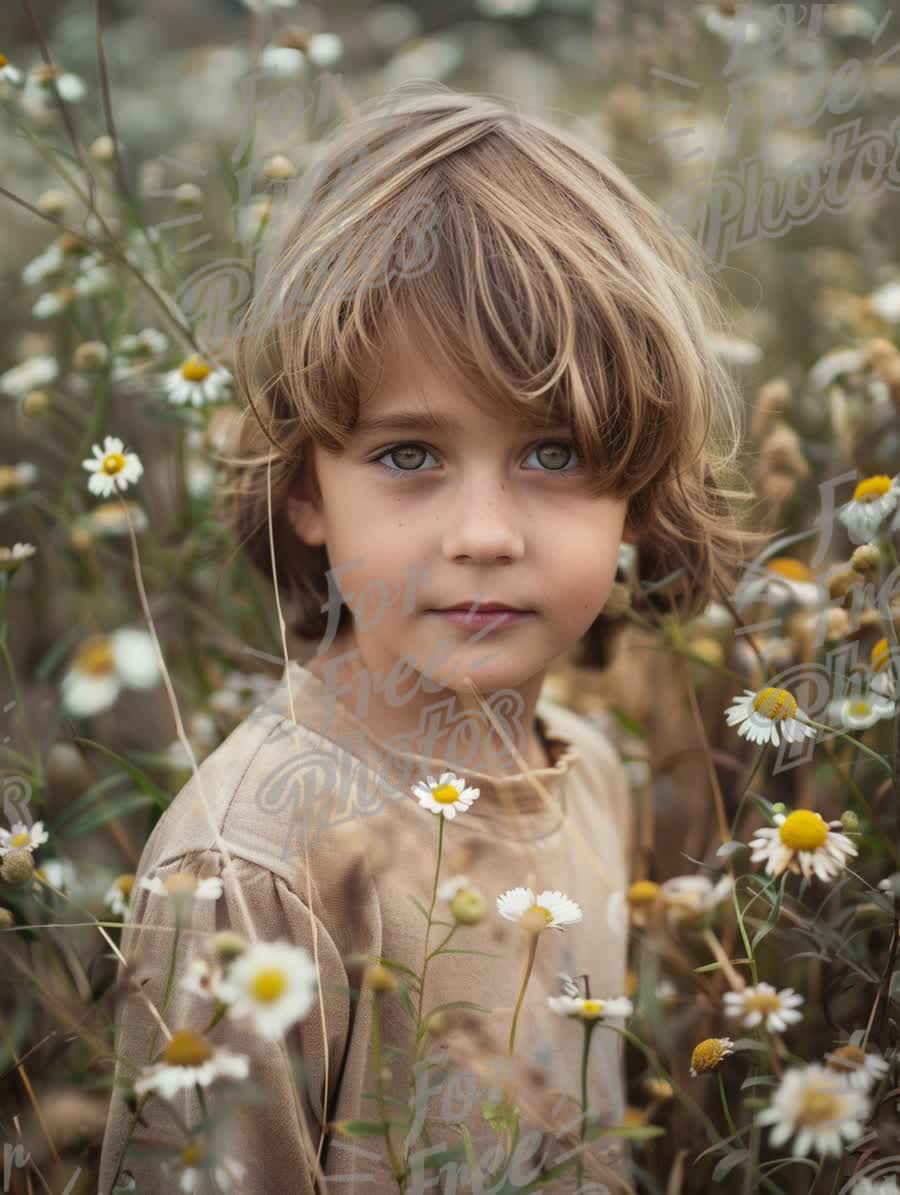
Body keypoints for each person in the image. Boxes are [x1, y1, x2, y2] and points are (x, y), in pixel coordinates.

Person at [98, 87, 755, 1194]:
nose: (484, 535)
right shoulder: (250, 872)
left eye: (553, 454)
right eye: (409, 455)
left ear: (637, 493)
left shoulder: (589, 775)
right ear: (308, 488)